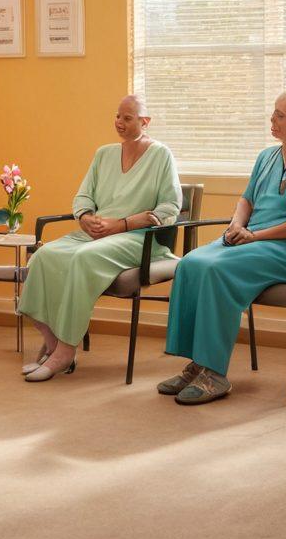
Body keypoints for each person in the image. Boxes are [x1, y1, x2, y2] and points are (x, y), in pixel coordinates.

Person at [160, 88, 286, 404]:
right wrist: (237, 224)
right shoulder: (266, 156)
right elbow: (247, 199)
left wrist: (256, 236)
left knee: (217, 269)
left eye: (281, 115)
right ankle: (197, 363)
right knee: (190, 262)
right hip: (253, 240)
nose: (272, 120)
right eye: (273, 112)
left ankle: (215, 374)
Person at [18, 95, 182, 382]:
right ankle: (54, 343)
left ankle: (65, 351)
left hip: (138, 239)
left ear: (145, 122)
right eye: (117, 116)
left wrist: (122, 224)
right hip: (96, 234)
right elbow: (83, 196)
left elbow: (170, 208)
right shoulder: (104, 154)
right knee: (44, 255)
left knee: (83, 258)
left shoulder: (160, 155)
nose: (119, 122)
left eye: (127, 118)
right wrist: (85, 218)